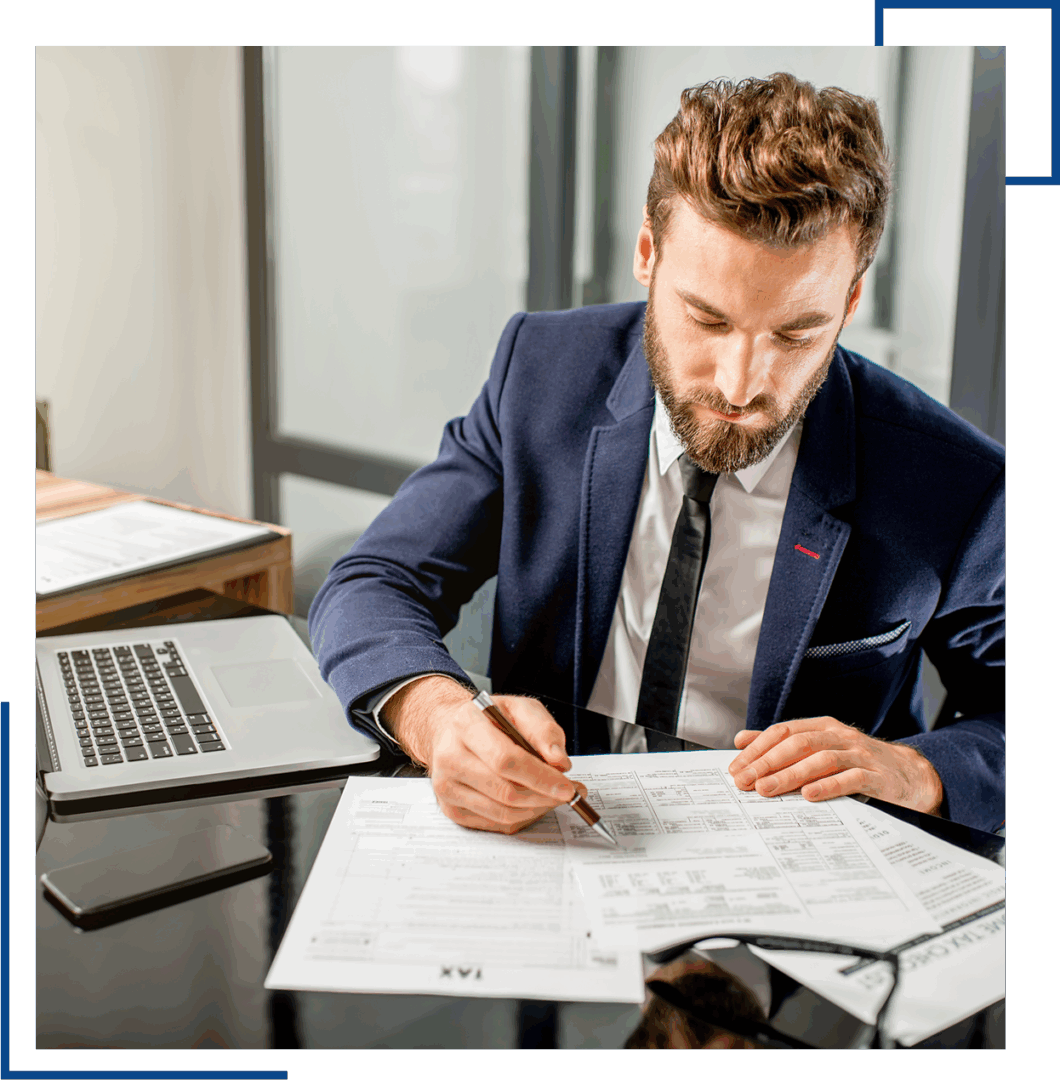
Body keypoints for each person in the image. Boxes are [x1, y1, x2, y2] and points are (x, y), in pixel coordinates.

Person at [308, 72, 1004, 839]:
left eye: (795, 335)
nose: (741, 384)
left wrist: (921, 770)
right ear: (647, 253)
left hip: (800, 876)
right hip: (546, 837)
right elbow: (377, 577)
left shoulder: (951, 477)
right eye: (706, 319)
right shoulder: (540, 372)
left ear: (851, 301)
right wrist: (436, 718)